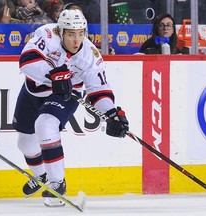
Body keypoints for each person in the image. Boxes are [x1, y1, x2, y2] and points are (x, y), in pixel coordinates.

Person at [12, 9, 129, 207]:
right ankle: (42, 177)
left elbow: (98, 90)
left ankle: (58, 183)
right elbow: (26, 61)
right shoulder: (46, 34)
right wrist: (52, 74)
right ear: (61, 31)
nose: (77, 40)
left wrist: (111, 114)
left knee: (45, 124)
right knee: (25, 143)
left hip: (64, 95)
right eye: (71, 34)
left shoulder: (90, 56)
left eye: (81, 33)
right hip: (32, 92)